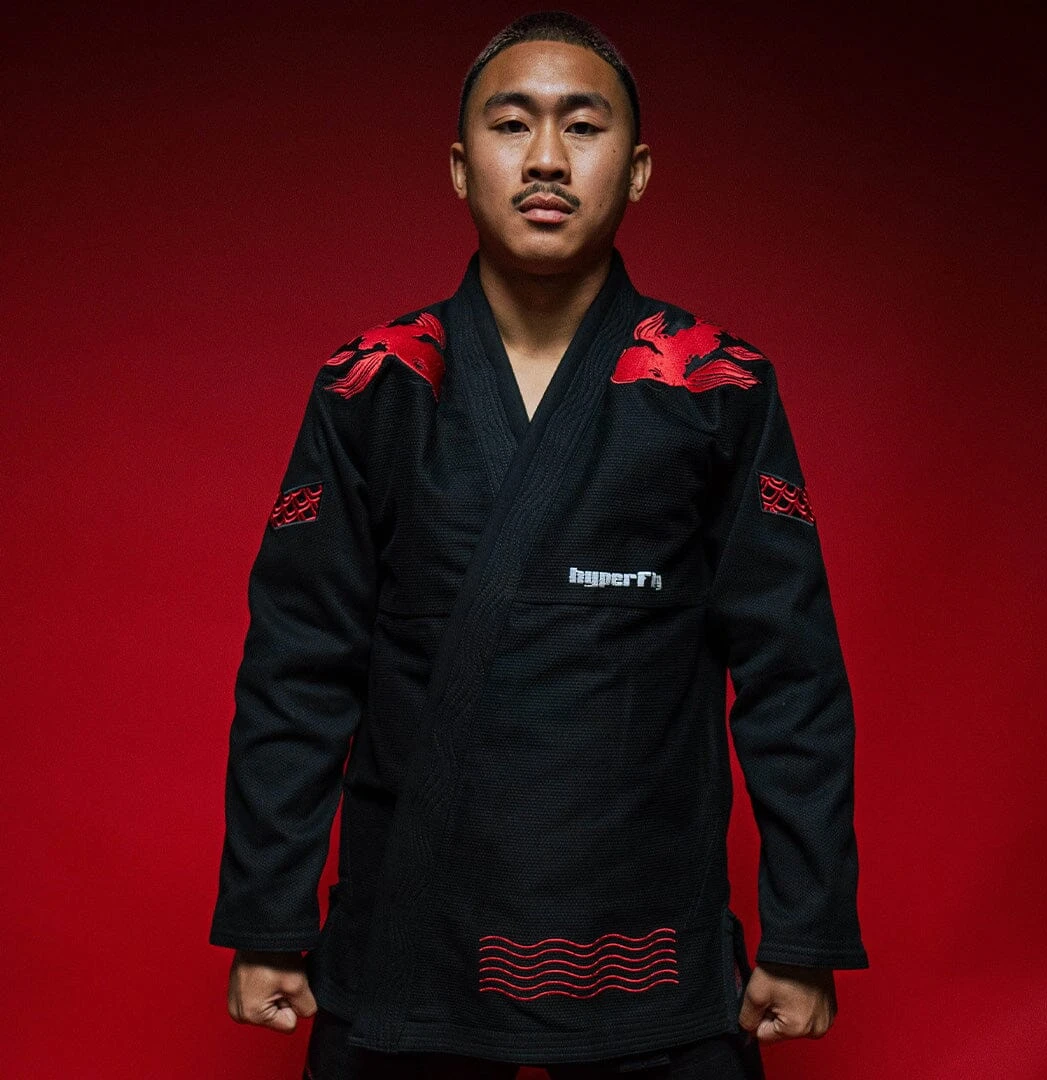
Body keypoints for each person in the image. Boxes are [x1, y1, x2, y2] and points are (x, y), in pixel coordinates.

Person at [208, 11, 869, 1079]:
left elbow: (792, 673)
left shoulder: (718, 384)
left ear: (637, 170)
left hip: (646, 933)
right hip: (412, 930)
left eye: (584, 126)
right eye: (512, 125)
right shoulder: (374, 383)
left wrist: (805, 928)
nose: (548, 158)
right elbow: (298, 665)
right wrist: (267, 917)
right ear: (460, 167)